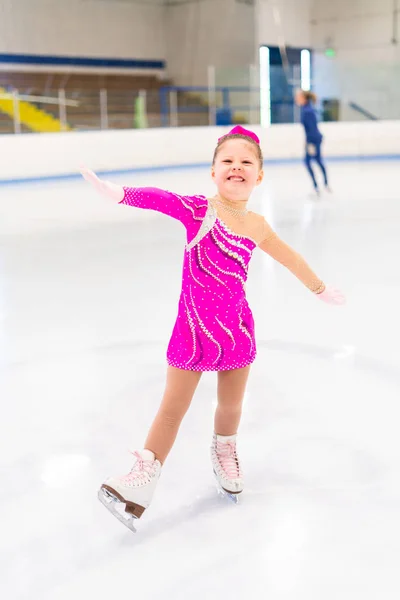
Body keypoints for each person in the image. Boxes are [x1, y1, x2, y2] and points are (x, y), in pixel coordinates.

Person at [80, 125, 345, 525]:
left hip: (236, 328)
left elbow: (289, 257)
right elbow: (161, 199)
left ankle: (225, 452)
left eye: (246, 162)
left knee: (232, 404)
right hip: (192, 327)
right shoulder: (199, 210)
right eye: (228, 161)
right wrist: (120, 194)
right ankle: (142, 479)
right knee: (173, 407)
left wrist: (319, 287)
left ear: (259, 174)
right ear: (213, 171)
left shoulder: (257, 225)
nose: (236, 167)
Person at [295, 89, 330, 195]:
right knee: (315, 161)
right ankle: (322, 184)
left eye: (298, 96)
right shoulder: (307, 109)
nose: (296, 99)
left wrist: (310, 143)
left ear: (303, 98)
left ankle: (320, 185)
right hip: (313, 139)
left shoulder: (308, 111)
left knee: (311, 161)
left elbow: (312, 129)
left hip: (313, 140)